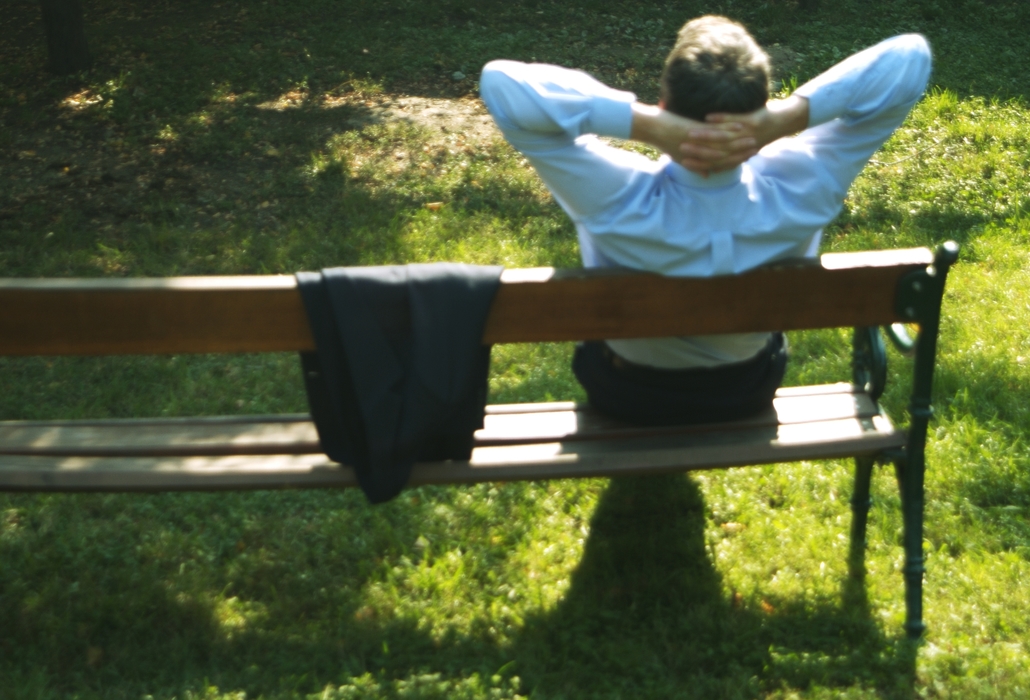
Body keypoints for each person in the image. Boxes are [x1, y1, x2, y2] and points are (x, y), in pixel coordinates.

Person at [479, 16, 931, 425]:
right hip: (746, 391)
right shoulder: (805, 184)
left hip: (626, 394)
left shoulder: (615, 196)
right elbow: (910, 57)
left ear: (663, 103)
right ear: (760, 106)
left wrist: (645, 125)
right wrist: (785, 120)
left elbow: (501, 83)